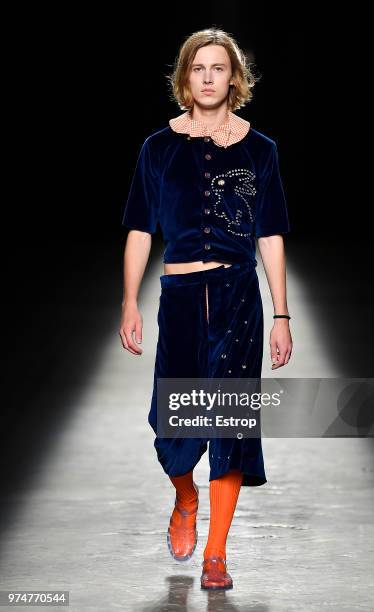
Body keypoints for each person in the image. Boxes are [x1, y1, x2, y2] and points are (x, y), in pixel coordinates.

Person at [119, 28, 293, 590]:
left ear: (235, 78)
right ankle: (185, 497)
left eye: (220, 68)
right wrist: (129, 302)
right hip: (181, 298)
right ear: (185, 78)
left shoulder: (259, 150)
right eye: (200, 68)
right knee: (175, 426)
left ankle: (216, 554)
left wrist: (283, 315)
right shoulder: (158, 149)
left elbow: (271, 235)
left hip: (240, 296)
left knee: (232, 425)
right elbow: (141, 229)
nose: (210, 77)